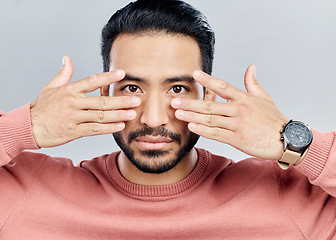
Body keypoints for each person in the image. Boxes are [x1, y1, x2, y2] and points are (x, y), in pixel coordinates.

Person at [0, 0, 335, 239]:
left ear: (208, 97)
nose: (154, 118)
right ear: (105, 96)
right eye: (132, 87)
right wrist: (25, 128)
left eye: (178, 88)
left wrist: (291, 140)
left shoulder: (286, 198)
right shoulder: (27, 191)